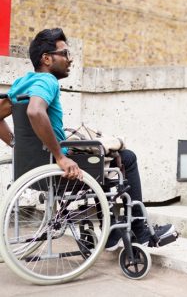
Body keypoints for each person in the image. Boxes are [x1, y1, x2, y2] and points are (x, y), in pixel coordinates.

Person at [1, 28, 175, 250]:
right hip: (58, 171)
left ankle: (111, 235)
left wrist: (18, 145)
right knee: (126, 158)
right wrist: (60, 157)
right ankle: (140, 231)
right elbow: (35, 111)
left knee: (103, 161)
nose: (70, 59)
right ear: (46, 58)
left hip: (32, 171)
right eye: (64, 54)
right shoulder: (48, 81)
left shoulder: (20, 84)